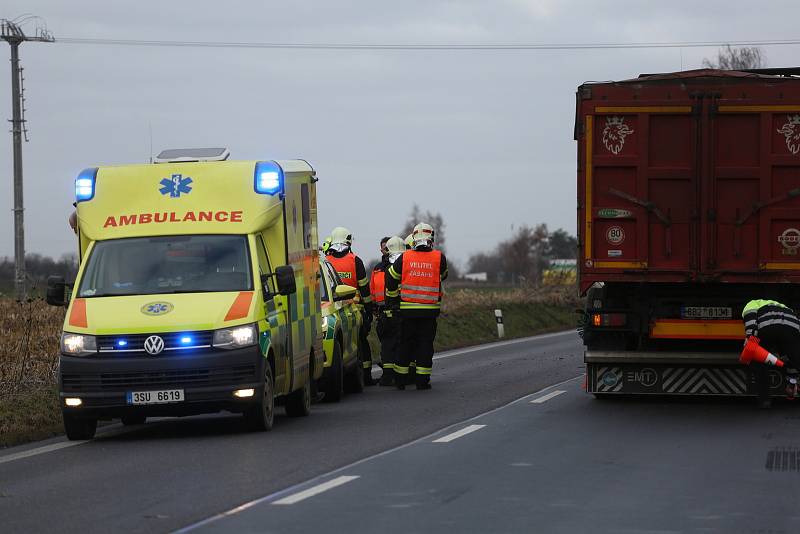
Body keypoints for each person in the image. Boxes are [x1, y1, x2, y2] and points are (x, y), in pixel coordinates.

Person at [386, 222, 448, 390]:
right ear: (431, 238)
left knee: (405, 344)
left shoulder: (404, 258)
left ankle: (400, 380)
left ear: (413, 238)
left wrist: (392, 300)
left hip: (407, 312)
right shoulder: (439, 257)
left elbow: (391, 278)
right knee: (425, 345)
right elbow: (444, 274)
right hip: (429, 313)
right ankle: (422, 381)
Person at [326, 226, 376, 385]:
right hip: (355, 311)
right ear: (348, 241)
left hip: (333, 312)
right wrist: (369, 310)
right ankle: (366, 376)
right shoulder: (355, 261)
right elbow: (364, 289)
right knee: (360, 344)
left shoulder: (326, 262)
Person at [741, 299, 800, 408]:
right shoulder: (784, 306)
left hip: (767, 326)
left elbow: (751, 320)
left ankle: (765, 400)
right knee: (792, 357)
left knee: (759, 362)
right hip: (792, 327)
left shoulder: (750, 304)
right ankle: (791, 385)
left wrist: (751, 339)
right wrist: (792, 379)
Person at [373, 236, 405, 386]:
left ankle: (397, 375)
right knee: (387, 344)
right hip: (383, 311)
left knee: (397, 343)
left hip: (399, 310)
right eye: (383, 247)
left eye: (387, 248)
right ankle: (389, 375)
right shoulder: (378, 268)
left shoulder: (402, 266)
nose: (384, 250)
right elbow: (373, 290)